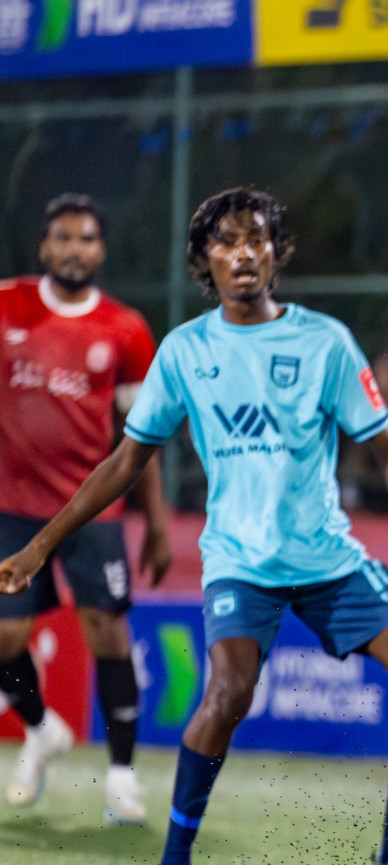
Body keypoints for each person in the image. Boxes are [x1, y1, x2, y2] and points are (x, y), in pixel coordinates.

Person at [0, 187, 388, 865]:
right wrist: (40, 546)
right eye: (226, 242)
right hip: (240, 562)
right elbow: (124, 461)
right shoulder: (186, 349)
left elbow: (383, 444)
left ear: (279, 254)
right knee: (228, 695)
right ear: (203, 261)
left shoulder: (324, 341)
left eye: (257, 240)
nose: (243, 254)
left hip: (327, 560)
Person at [0, 193, 171, 822]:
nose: (76, 248)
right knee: (4, 637)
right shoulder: (5, 305)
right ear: (45, 247)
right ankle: (41, 730)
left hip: (92, 511)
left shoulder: (124, 329)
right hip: (11, 508)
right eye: (64, 238)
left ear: (101, 249)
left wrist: (153, 522)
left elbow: (140, 435)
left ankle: (122, 777)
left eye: (87, 238)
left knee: (108, 633)